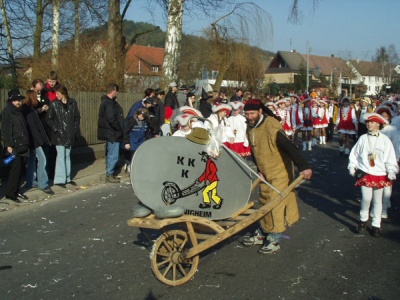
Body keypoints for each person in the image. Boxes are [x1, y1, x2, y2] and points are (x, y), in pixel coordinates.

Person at [242, 99, 312, 254]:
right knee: (264, 202)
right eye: (247, 114)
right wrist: (259, 169)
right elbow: (255, 150)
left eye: (252, 113)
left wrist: (304, 166)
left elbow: (289, 147)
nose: (249, 116)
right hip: (265, 171)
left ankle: (275, 238)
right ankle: (264, 231)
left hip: (279, 171)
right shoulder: (250, 127)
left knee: (276, 204)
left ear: (260, 111)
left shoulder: (271, 126)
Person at [348, 113, 398, 237]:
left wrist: (391, 170)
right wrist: (352, 165)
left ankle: (376, 225)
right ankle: (363, 219)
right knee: (366, 198)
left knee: (377, 201)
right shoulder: (363, 138)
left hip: (380, 173)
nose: (369, 124)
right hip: (366, 172)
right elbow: (354, 153)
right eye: (368, 122)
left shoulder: (385, 140)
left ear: (378, 124)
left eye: (372, 122)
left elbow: (390, 157)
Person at [46, 84, 80, 187]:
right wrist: (56, 129)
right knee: (61, 156)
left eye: (58, 93)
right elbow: (49, 118)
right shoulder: (54, 104)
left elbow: (77, 117)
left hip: (69, 133)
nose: (56, 95)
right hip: (59, 135)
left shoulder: (72, 103)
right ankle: (60, 179)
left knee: (67, 156)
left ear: (63, 93)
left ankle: (67, 177)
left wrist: (74, 128)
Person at [21, 90, 53, 195]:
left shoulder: (27, 109)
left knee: (31, 161)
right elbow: (34, 127)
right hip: (35, 141)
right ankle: (43, 183)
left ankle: (30, 181)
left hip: (30, 140)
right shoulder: (29, 111)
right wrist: (41, 140)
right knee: (42, 160)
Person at [1, 89, 30, 202]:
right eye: (16, 100)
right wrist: (9, 145)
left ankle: (16, 191)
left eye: (19, 100)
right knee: (15, 170)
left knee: (20, 169)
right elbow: (6, 130)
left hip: (22, 144)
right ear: (11, 100)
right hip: (14, 145)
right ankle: (10, 193)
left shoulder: (19, 111)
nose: (19, 102)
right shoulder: (7, 112)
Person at [97, 83, 124, 183]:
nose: (118, 93)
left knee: (111, 154)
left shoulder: (108, 102)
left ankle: (110, 173)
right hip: (112, 133)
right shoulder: (108, 103)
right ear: (113, 90)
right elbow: (111, 118)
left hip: (110, 132)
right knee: (113, 154)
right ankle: (110, 174)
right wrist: (118, 129)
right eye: (117, 91)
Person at [123, 108, 149, 173]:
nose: (140, 117)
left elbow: (146, 133)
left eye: (142, 116)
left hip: (140, 142)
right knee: (131, 155)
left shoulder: (146, 122)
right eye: (139, 115)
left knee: (139, 155)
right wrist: (126, 142)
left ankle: (137, 168)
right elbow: (126, 131)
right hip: (132, 141)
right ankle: (129, 166)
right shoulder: (132, 120)